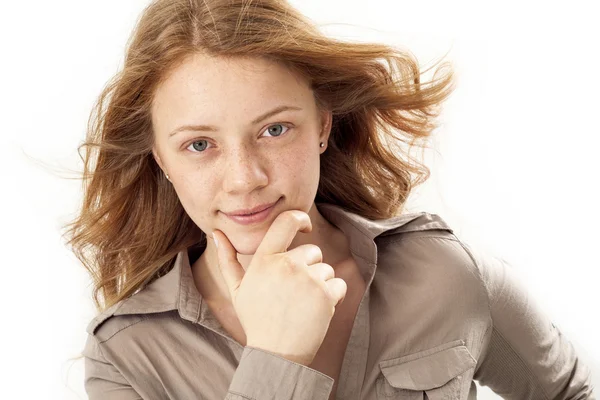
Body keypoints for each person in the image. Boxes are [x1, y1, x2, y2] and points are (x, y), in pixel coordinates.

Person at [63, 0, 596, 399]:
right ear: (160, 157)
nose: (244, 178)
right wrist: (276, 357)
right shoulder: (127, 355)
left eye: (275, 130)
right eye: (199, 145)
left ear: (321, 126)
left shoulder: (442, 273)